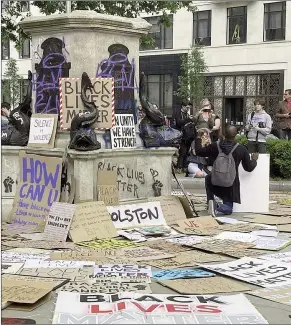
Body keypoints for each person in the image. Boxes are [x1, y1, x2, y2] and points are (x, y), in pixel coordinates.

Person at [195, 125, 258, 216]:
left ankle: (211, 201)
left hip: (215, 181)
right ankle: (217, 206)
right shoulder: (241, 149)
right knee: (228, 209)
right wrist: (254, 160)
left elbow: (199, 152)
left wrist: (198, 137)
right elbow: (248, 168)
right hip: (231, 183)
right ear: (236, 135)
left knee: (208, 178)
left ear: (224, 134)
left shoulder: (215, 146)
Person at [174, 100, 195, 172]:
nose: (188, 109)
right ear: (183, 106)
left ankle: (184, 167)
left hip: (188, 136)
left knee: (186, 152)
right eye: (187, 107)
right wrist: (189, 119)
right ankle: (179, 167)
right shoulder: (178, 113)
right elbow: (179, 122)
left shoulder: (187, 114)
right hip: (180, 135)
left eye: (189, 108)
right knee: (182, 152)